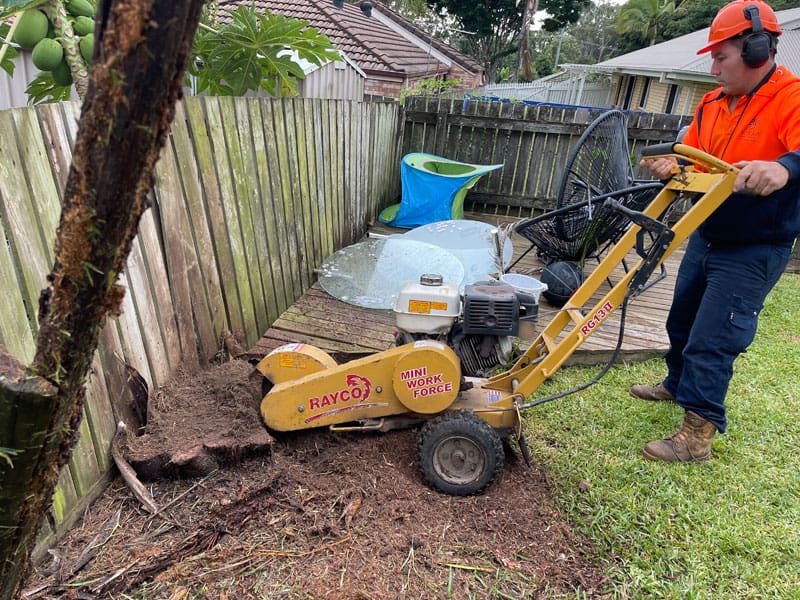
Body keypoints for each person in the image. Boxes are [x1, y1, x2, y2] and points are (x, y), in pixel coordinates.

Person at [633, 0, 800, 462]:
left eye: (721, 57)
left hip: (756, 245)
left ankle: (696, 436)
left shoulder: (790, 98)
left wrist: (784, 167)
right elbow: (695, 156)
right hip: (708, 233)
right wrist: (671, 163)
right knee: (681, 320)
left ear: (757, 49)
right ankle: (674, 384)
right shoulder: (711, 104)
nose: (712, 68)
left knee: (714, 336)